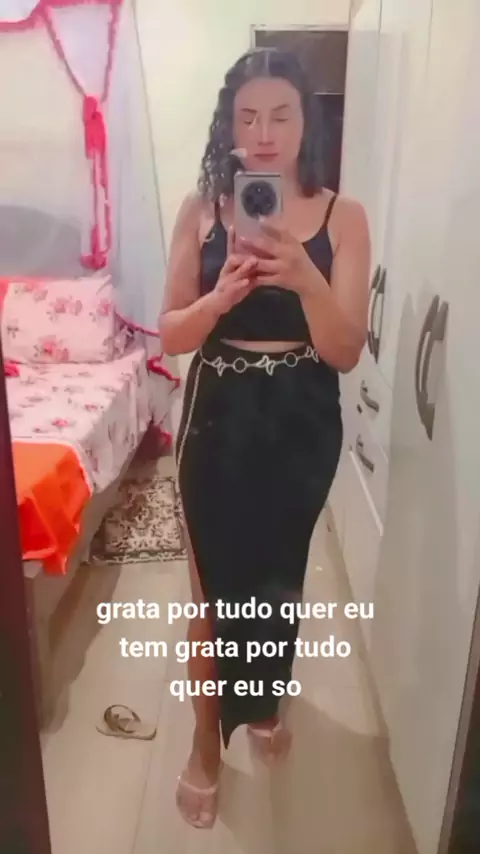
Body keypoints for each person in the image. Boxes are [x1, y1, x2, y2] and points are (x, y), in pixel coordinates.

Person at [159, 47, 370, 830]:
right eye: (247, 116)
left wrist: (304, 275)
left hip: (301, 420)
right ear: (229, 125)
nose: (264, 132)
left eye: (282, 114)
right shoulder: (202, 209)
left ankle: (265, 698)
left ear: (306, 121)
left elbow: (344, 350)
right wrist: (218, 299)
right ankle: (205, 745)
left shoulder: (344, 217)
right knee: (214, 594)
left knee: (277, 581)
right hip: (217, 415)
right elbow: (172, 334)